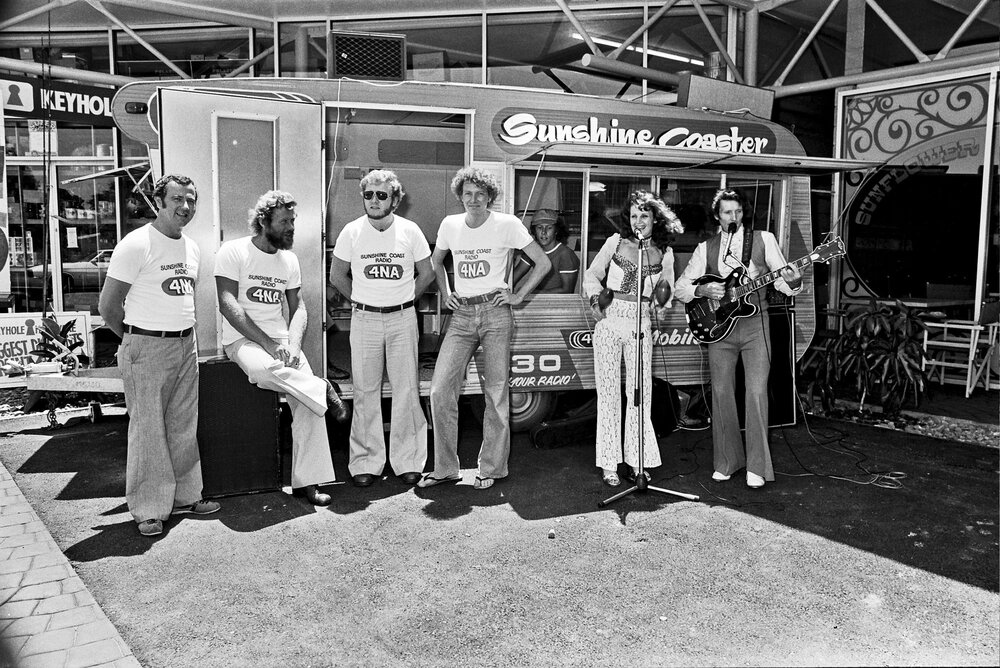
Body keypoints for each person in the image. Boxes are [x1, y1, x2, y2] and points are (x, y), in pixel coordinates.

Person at [99, 174, 220, 537]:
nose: (185, 208)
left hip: (185, 343)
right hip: (146, 346)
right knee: (148, 428)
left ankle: (186, 495)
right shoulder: (137, 244)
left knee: (183, 424)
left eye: (191, 201)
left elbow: (185, 296)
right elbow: (108, 306)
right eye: (177, 200)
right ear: (159, 202)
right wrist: (136, 340)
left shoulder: (192, 248)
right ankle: (149, 508)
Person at [417, 166, 551, 490]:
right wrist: (446, 293)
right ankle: (446, 469)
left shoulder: (507, 224)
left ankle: (491, 468)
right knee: (439, 389)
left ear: (489, 196)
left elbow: (543, 262)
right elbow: (436, 261)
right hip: (462, 314)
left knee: (496, 393)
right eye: (467, 194)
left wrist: (517, 295)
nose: (473, 199)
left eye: (480, 194)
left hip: (495, 312)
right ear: (459, 196)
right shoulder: (450, 225)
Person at [215, 190, 347, 507]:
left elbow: (298, 307)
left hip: (282, 342)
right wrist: (269, 344)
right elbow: (227, 304)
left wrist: (294, 344)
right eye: (284, 221)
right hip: (243, 340)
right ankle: (322, 387)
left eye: (293, 221)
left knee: (309, 406)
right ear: (264, 221)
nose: (291, 227)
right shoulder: (233, 252)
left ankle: (308, 484)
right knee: (263, 370)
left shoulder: (288, 259)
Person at [674, 189, 802, 489]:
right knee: (721, 394)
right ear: (718, 216)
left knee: (756, 394)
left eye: (738, 212)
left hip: (756, 325)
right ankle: (727, 461)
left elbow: (783, 282)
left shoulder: (764, 239)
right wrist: (701, 291)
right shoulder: (706, 248)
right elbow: (681, 287)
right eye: (728, 212)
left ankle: (757, 466)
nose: (734, 217)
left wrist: (793, 280)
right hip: (720, 329)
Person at [329, 170, 434, 487]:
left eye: (382, 195)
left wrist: (405, 300)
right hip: (365, 320)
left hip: (402, 319)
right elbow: (337, 276)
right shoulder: (352, 232)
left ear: (396, 199)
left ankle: (409, 461)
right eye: (368, 195)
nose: (374, 200)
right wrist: (359, 300)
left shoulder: (410, 231)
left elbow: (426, 274)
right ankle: (365, 462)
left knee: (406, 390)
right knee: (364, 391)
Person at [584, 190, 683, 487]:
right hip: (611, 321)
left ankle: (638, 460)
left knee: (641, 395)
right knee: (609, 393)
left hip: (640, 323)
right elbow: (591, 275)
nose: (639, 221)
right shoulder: (614, 243)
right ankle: (609, 463)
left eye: (645, 215)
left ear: (656, 218)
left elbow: (666, 289)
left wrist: (660, 311)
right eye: (634, 216)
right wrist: (594, 301)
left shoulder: (665, 252)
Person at [511, 209, 580, 294]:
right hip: (539, 299)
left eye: (549, 228)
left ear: (556, 231)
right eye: (539, 227)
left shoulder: (565, 254)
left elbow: (567, 290)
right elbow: (514, 277)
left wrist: (532, 293)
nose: (543, 232)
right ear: (534, 231)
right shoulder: (533, 250)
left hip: (558, 302)